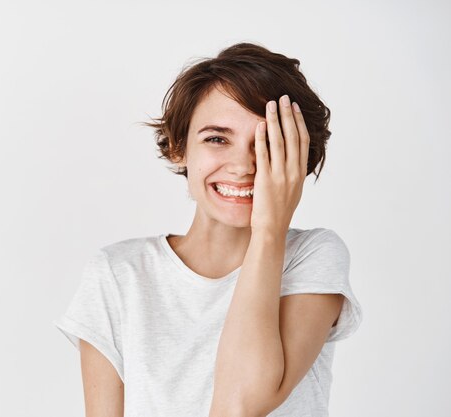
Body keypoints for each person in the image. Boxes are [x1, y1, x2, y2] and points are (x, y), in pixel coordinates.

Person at [53, 42, 363, 417]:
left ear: (296, 156)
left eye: (268, 144)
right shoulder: (119, 273)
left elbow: (241, 404)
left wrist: (268, 231)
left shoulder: (314, 255)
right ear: (179, 147)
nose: (243, 165)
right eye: (217, 139)